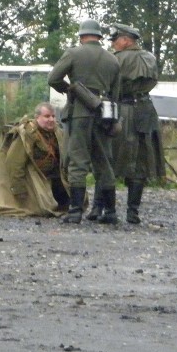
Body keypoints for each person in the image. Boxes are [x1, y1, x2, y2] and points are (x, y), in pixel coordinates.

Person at [87, 24, 165, 224]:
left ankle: (100, 208)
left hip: (119, 109)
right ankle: (133, 212)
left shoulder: (115, 59)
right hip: (145, 109)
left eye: (115, 40)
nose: (113, 44)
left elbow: (104, 85)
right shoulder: (150, 58)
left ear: (126, 40)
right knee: (141, 160)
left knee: (107, 157)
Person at [47, 18, 120, 224]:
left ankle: (75, 211)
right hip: (104, 113)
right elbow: (116, 93)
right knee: (104, 162)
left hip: (79, 112)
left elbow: (53, 78)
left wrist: (68, 89)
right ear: (99, 36)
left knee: (78, 160)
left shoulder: (73, 53)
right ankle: (111, 212)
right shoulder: (113, 60)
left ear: (81, 36)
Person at [0, 103, 72, 217]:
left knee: (68, 204)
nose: (51, 119)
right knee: (42, 210)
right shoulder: (26, 134)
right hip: (33, 179)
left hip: (53, 178)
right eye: (47, 116)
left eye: (53, 116)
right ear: (37, 117)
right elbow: (14, 163)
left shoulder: (58, 133)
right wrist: (19, 191)